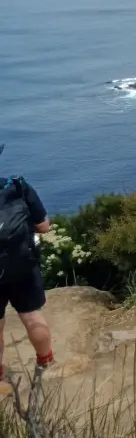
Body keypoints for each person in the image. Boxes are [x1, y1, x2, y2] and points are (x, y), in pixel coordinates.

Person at [0, 144, 54, 382]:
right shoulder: (19, 187)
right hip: (23, 267)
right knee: (32, 316)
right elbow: (44, 227)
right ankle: (46, 360)